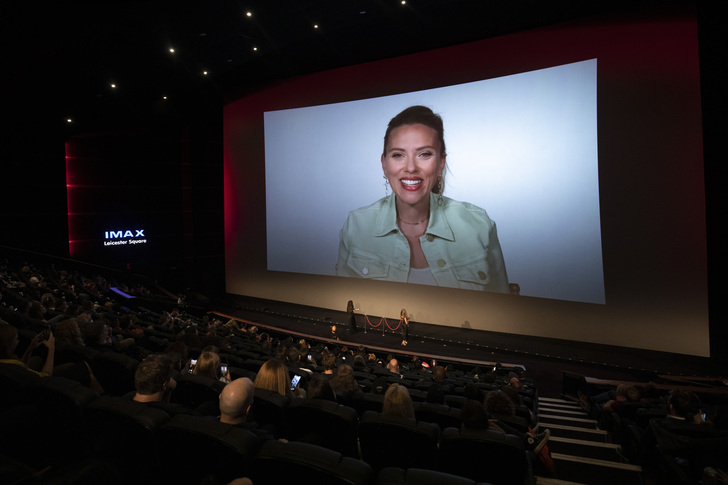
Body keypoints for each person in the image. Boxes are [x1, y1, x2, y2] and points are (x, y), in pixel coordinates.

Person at [336, 105, 509, 292]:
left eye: (424, 154)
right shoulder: (357, 225)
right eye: (398, 155)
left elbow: (501, 311)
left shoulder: (479, 225)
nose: (411, 167)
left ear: (441, 162)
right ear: (384, 164)